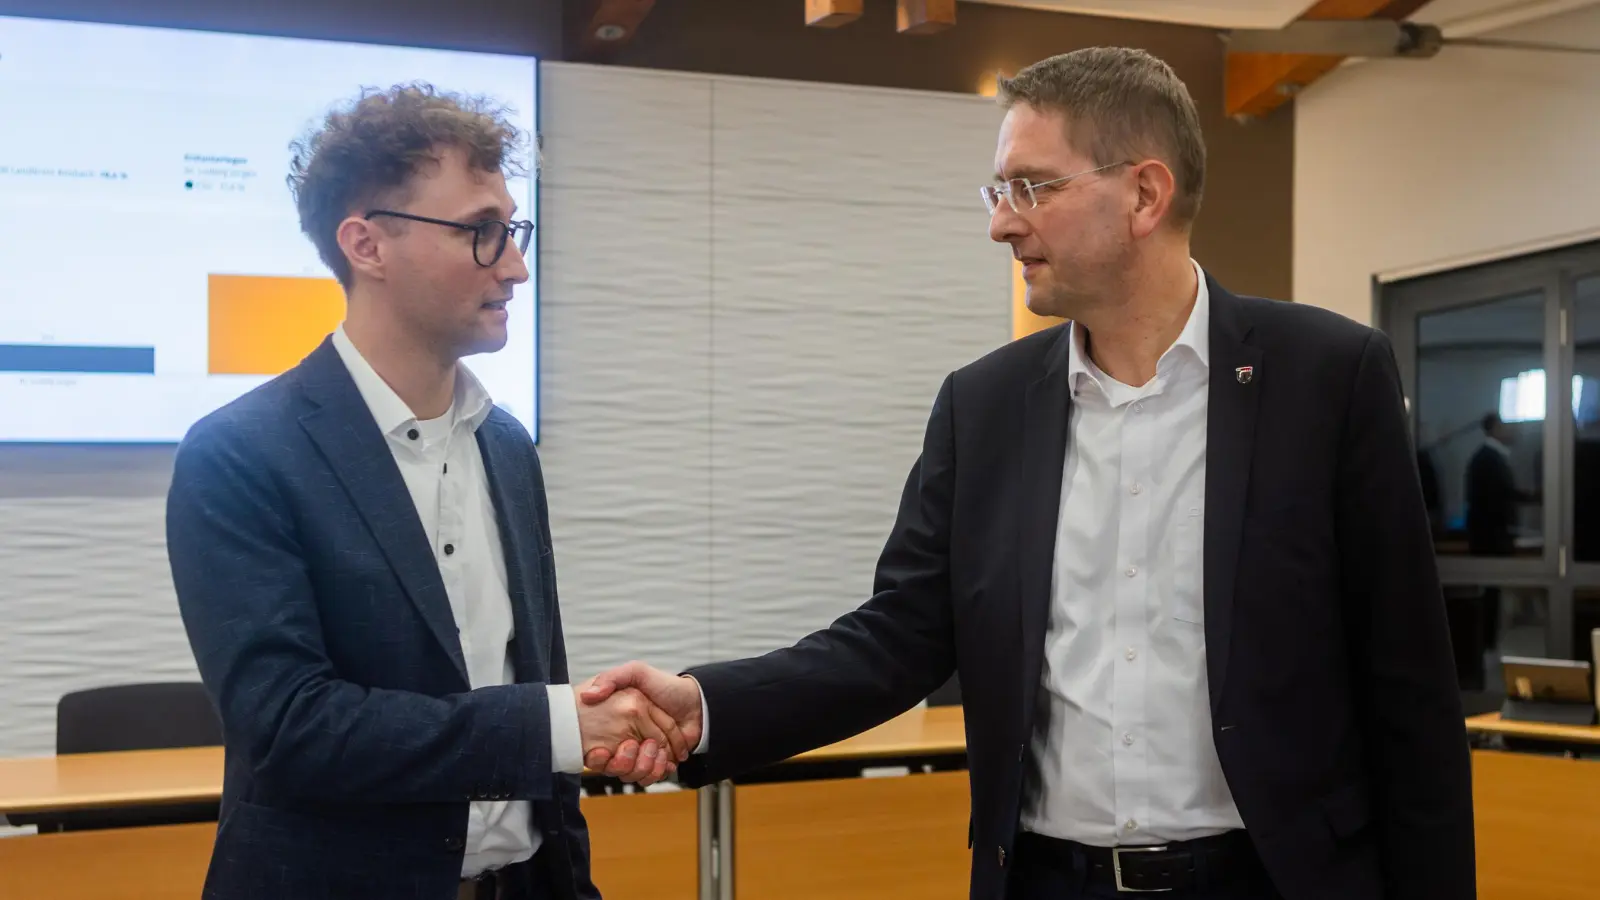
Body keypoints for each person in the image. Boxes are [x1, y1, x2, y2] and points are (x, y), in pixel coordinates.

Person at [580, 49, 1474, 900]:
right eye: (998, 190)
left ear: (1144, 192)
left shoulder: (1327, 375)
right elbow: (899, 638)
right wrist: (705, 705)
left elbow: (1411, 692)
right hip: (1047, 881)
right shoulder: (985, 406)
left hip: (1273, 879)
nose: (1001, 220)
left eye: (1031, 188)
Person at [166, 84, 687, 900]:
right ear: (366, 246)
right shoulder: (239, 453)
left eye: (512, 231)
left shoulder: (506, 445)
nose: (515, 266)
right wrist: (559, 725)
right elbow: (292, 729)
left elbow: (534, 695)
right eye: (481, 233)